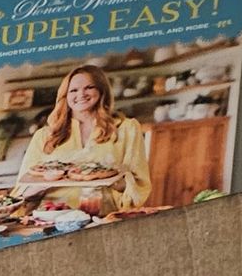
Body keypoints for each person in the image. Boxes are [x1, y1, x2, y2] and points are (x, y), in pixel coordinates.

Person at [12, 64, 150, 217]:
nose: (81, 94)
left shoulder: (126, 128)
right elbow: (21, 193)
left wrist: (113, 180)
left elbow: (140, 183)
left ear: (101, 90)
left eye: (89, 87)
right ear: (65, 95)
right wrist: (45, 183)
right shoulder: (44, 136)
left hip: (103, 216)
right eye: (73, 90)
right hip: (54, 216)